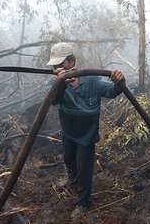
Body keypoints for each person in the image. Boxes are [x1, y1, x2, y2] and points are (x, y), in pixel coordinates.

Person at [44, 42, 124, 219]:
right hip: (67, 131)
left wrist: (120, 81)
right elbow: (53, 100)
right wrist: (61, 83)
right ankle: (72, 180)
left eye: (61, 63)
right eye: (55, 64)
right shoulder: (54, 81)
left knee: (84, 168)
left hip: (86, 135)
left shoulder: (92, 80)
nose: (57, 67)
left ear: (72, 61)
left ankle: (83, 202)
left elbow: (112, 91)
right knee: (67, 158)